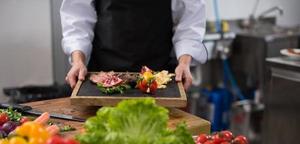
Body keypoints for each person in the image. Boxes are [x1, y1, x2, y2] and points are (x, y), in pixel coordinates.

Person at [60, 0, 207, 90]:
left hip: (159, 77)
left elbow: (190, 22)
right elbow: (77, 16)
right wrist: (78, 60)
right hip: (102, 73)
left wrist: (184, 63)